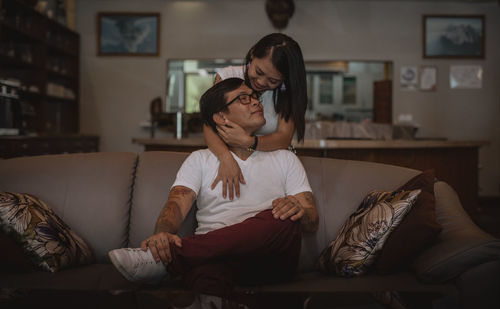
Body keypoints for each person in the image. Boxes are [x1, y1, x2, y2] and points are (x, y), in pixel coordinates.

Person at [108, 78, 318, 298]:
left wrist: (297, 209)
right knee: (206, 278)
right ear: (221, 117)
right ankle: (187, 263)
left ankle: (172, 258)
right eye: (244, 99)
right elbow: (176, 206)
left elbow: (312, 221)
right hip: (211, 261)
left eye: (255, 97)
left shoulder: (285, 158)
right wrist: (162, 235)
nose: (256, 102)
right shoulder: (200, 159)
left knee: (284, 221)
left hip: (268, 260)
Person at [205, 33, 308, 200]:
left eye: (273, 81)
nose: (260, 82)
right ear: (252, 53)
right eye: (258, 71)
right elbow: (210, 126)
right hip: (231, 160)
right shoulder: (228, 77)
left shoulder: (286, 92)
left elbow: (283, 138)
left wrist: (248, 142)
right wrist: (225, 158)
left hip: (272, 165)